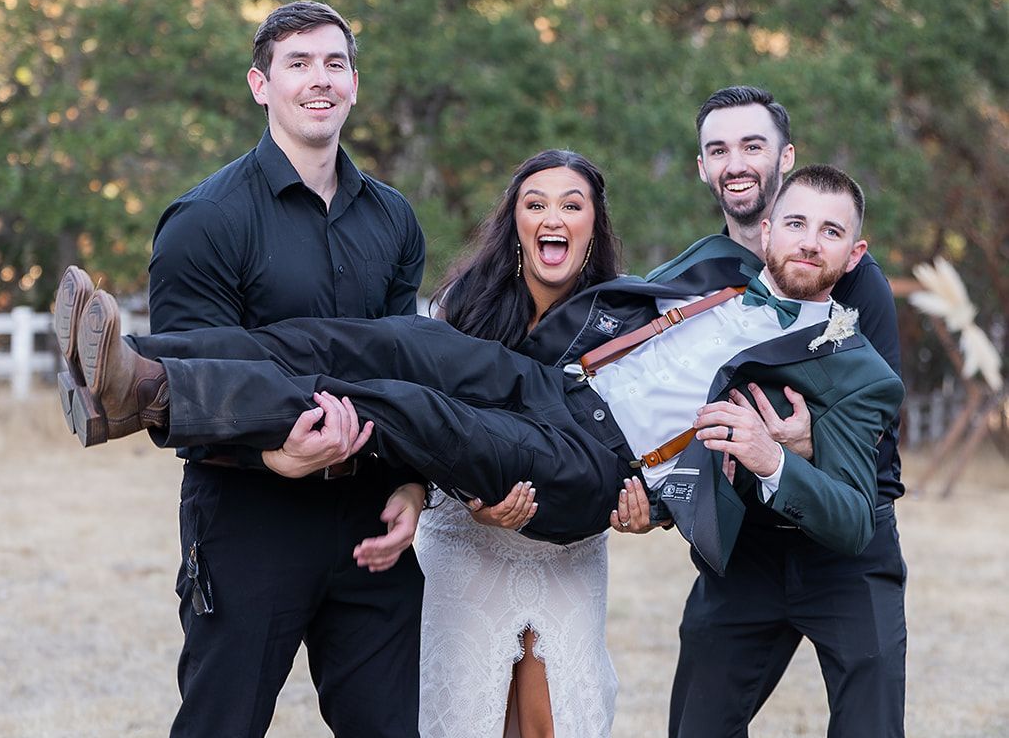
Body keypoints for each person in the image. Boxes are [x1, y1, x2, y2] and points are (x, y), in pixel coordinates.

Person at [57, 0, 502, 738]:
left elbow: (403, 373)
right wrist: (272, 453)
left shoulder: (390, 218)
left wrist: (408, 482)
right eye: (296, 63)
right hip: (250, 520)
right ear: (261, 84)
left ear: (353, 83)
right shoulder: (204, 219)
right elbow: (192, 399)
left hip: (363, 525)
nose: (319, 79)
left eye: (335, 62)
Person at [57, 166, 902, 593]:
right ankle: (141, 364)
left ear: (851, 255)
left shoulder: (853, 368)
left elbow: (851, 517)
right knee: (376, 342)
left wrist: (770, 458)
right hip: (558, 387)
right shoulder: (716, 267)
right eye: (793, 221)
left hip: (599, 467)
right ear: (767, 231)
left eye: (828, 232)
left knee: (399, 408)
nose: (805, 239)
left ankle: (151, 397)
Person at [617, 87, 912, 738]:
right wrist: (642, 494)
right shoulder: (701, 287)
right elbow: (655, 408)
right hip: (742, 553)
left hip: (844, 552)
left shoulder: (860, 314)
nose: (808, 241)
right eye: (719, 147)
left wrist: (792, 448)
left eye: (828, 232)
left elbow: (869, 471)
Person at [416, 150, 629, 738]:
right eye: (534, 202)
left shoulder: (621, 324)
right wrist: (470, 498)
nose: (552, 216)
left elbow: (638, 451)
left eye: (570, 203)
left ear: (590, 227)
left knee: (556, 731)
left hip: (568, 556)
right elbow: (423, 429)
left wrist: (641, 503)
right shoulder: (459, 312)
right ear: (514, 224)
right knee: (460, 734)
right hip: (468, 545)